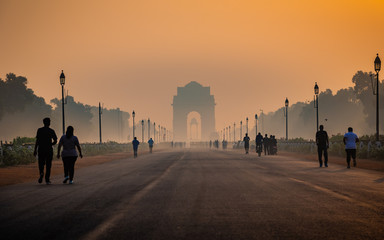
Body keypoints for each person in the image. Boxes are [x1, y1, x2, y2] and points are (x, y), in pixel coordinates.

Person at [33, 117, 57, 185]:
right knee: (48, 164)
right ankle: (47, 179)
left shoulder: (39, 130)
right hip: (49, 149)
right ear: (49, 123)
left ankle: (41, 173)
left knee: (41, 163)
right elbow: (55, 140)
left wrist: (35, 150)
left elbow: (37, 141)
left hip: (41, 149)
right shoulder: (51, 131)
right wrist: (51, 144)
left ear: (43, 123)